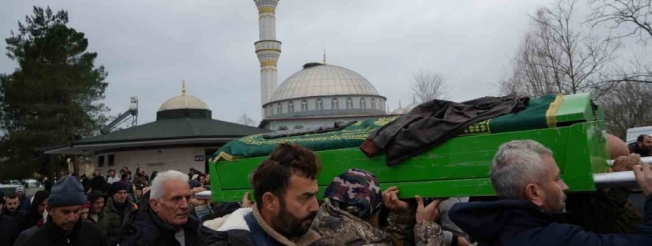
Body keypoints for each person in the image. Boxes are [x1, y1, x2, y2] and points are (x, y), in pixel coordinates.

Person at [449, 139, 652, 246]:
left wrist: (617, 190)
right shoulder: (552, 239)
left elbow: (585, 223)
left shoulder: (497, 229)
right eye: (556, 179)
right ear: (534, 193)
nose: (565, 186)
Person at [199, 143, 322, 245]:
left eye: (315, 195)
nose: (315, 207)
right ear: (269, 201)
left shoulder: (305, 235)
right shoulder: (233, 242)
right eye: (305, 198)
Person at [311, 168, 447, 246]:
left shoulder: (318, 230)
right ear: (372, 213)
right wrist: (427, 226)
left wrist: (402, 215)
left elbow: (383, 240)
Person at [118, 170, 199, 246]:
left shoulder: (195, 226)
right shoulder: (140, 240)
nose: (185, 205)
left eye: (187, 198)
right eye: (176, 199)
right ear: (155, 204)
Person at [22, 175, 104, 246]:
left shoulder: (92, 233)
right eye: (65, 212)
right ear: (50, 210)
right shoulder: (34, 242)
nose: (72, 218)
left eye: (76, 211)